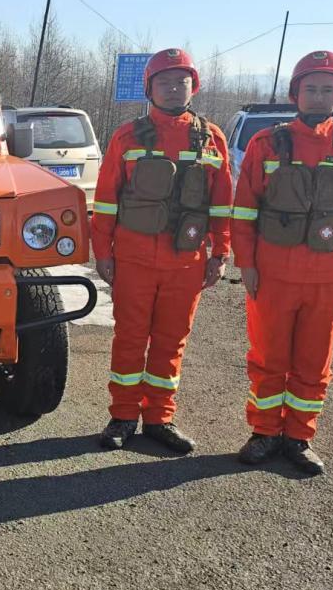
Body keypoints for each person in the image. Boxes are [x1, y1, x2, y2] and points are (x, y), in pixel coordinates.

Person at [231, 51, 333, 476]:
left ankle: (299, 437)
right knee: (268, 359)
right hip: (272, 276)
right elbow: (244, 211)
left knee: (313, 363)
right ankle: (264, 433)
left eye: (327, 89)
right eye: (310, 88)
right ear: (295, 93)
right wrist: (246, 264)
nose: (318, 97)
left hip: (330, 279)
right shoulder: (267, 144)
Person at [90, 48, 233, 454]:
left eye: (181, 82)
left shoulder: (212, 138)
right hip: (134, 259)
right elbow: (106, 200)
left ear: (193, 87)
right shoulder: (127, 137)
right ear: (149, 88)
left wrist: (220, 253)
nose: (173, 89)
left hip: (186, 262)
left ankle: (159, 419)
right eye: (164, 82)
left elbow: (222, 203)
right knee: (130, 339)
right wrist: (103, 253)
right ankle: (122, 417)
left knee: (171, 342)